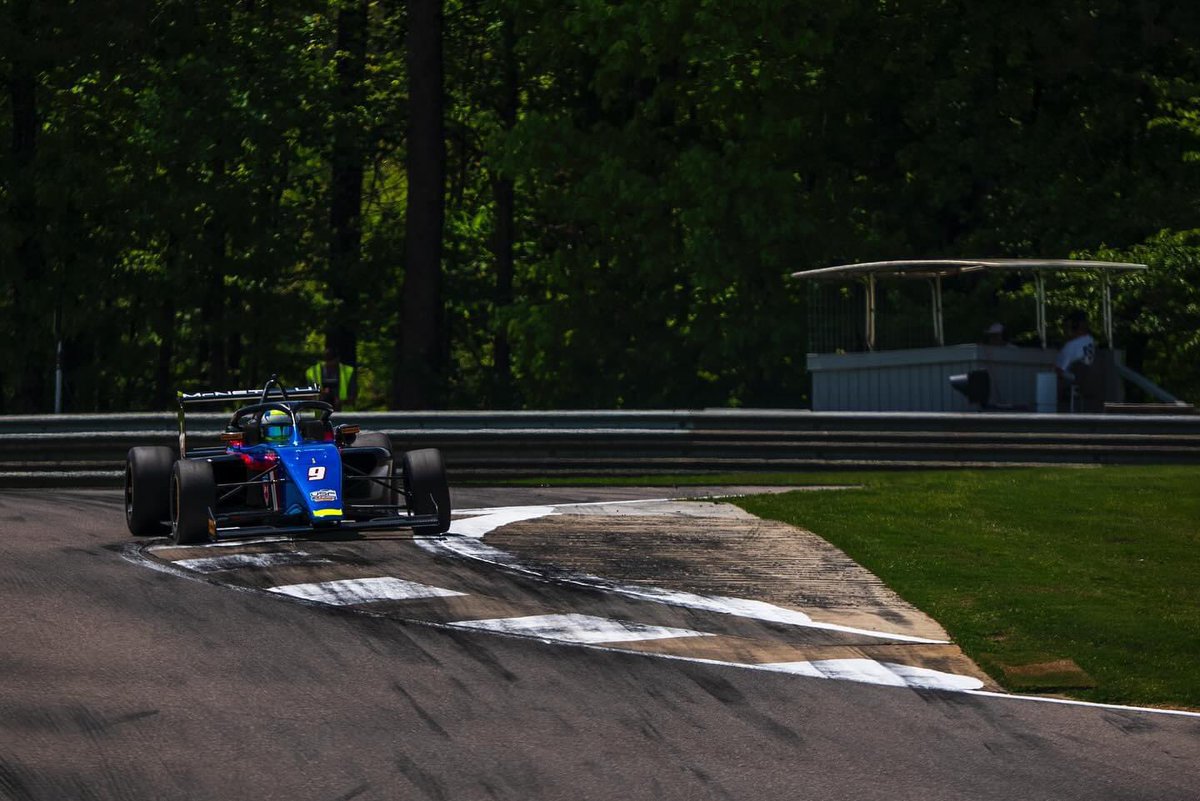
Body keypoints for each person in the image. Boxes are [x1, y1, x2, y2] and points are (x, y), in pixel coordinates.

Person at [306, 347, 357, 411]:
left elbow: (353, 397)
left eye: (331, 361)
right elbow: (307, 396)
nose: (329, 364)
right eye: (327, 361)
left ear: (337, 359)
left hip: (343, 415)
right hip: (319, 415)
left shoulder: (348, 372)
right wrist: (320, 396)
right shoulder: (312, 372)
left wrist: (340, 402)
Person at [1055, 310, 1095, 382]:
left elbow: (1059, 372)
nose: (1064, 331)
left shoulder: (1070, 346)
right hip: (1091, 384)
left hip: (1072, 386)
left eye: (1066, 327)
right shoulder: (1090, 340)